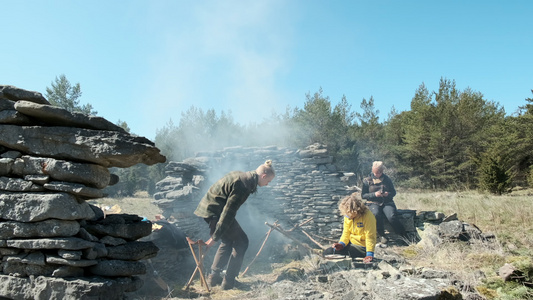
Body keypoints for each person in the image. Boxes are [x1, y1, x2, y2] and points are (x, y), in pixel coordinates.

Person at [194, 160, 275, 290]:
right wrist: (214, 238)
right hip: (214, 212)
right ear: (263, 176)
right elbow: (227, 213)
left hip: (211, 209)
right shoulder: (243, 184)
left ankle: (214, 278)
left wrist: (216, 236)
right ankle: (228, 282)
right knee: (242, 241)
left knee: (227, 240)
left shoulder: (243, 176)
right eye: (268, 181)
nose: (267, 184)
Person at [323, 193, 376, 263]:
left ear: (355, 211)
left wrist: (369, 254)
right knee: (328, 252)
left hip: (362, 248)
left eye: (348, 214)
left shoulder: (368, 216)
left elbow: (370, 236)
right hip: (350, 244)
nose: (346, 216)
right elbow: (346, 232)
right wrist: (341, 244)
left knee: (332, 254)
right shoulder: (347, 215)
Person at [361, 161, 406, 243]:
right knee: (376, 214)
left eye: (379, 173)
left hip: (387, 202)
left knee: (392, 216)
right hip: (373, 202)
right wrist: (374, 194)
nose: (377, 174)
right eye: (375, 173)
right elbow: (363, 195)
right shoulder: (367, 180)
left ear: (382, 171)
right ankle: (382, 235)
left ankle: (403, 235)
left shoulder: (387, 179)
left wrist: (387, 194)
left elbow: (393, 192)